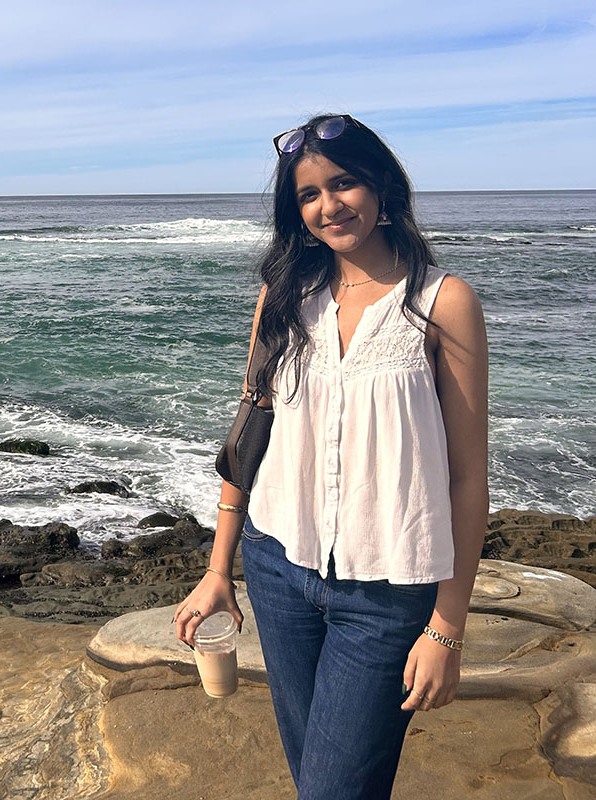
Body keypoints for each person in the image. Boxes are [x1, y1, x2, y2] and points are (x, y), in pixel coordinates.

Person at [173, 113, 489, 799]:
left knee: (335, 790)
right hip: (278, 570)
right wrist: (217, 569)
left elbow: (467, 478)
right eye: (309, 195)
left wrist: (447, 627)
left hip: (387, 592)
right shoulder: (284, 298)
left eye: (342, 184)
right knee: (313, 778)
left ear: (381, 188)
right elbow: (247, 440)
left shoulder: (443, 302)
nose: (328, 206)